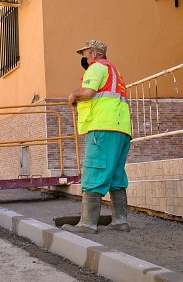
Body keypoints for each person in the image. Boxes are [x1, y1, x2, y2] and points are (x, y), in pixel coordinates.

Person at [62, 40, 132, 234]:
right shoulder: (114, 71)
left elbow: (88, 92)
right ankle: (120, 221)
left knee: (94, 170)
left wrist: (73, 96)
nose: (83, 59)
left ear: (93, 54)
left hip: (102, 127)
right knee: (116, 175)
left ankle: (87, 224)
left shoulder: (96, 68)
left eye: (84, 54)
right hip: (121, 129)